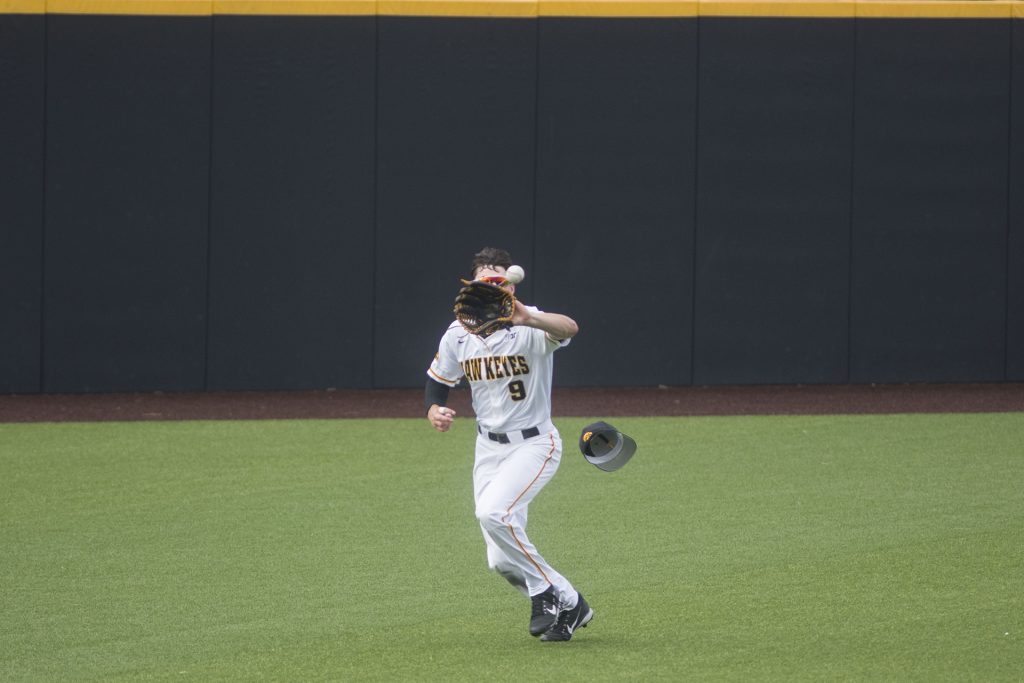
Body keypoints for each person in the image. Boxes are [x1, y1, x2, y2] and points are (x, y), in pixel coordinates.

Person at [425, 247, 593, 642]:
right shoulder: (457, 334)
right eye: (484, 280)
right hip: (488, 449)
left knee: (492, 514)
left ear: (509, 285)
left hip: (535, 445)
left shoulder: (529, 324)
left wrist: (529, 315)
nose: (491, 286)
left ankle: (544, 593)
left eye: (498, 279)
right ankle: (570, 604)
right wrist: (434, 408)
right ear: (471, 287)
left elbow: (570, 328)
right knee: (499, 560)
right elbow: (438, 379)